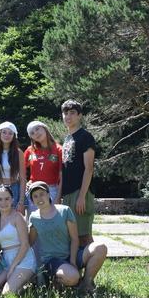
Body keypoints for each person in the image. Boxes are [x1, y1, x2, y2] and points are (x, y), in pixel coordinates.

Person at [28, 181, 107, 295]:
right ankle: (57, 281)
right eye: (35, 196)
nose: (39, 198)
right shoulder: (34, 217)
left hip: (72, 254)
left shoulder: (64, 210)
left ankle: (86, 283)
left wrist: (73, 261)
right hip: (53, 261)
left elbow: (75, 239)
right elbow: (30, 242)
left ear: (48, 194)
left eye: (42, 194)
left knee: (100, 248)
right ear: (32, 200)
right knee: (73, 277)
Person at [0, 185, 36, 295]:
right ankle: (15, 283)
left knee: (7, 293)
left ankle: (26, 283)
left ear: (12, 200)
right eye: (0, 199)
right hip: (5, 261)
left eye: (7, 199)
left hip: (22, 260)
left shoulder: (18, 217)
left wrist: (12, 267)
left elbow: (25, 245)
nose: (3, 202)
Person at [60, 99, 97, 245]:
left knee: (83, 234)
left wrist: (82, 196)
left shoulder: (85, 137)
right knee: (71, 234)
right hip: (68, 192)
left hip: (81, 192)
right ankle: (76, 267)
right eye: (65, 113)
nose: (68, 116)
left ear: (80, 115)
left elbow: (89, 168)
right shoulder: (68, 138)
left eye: (72, 113)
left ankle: (93, 262)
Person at [0, 122, 26, 214]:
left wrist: (21, 201)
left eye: (10, 133)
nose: (7, 135)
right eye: (4, 132)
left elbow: (23, 179)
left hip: (13, 189)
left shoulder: (18, 153)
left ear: (14, 136)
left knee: (13, 221)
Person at [23, 121, 63, 213]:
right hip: (33, 191)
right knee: (33, 223)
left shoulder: (59, 149)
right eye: (32, 133)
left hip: (51, 190)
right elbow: (20, 171)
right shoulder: (30, 150)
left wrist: (58, 197)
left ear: (45, 128)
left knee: (51, 222)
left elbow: (62, 176)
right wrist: (26, 183)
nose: (36, 133)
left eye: (37, 129)